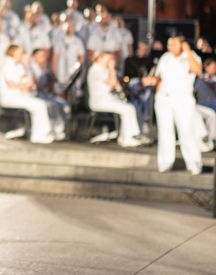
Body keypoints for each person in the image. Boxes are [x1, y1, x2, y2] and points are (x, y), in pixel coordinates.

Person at [153, 34, 204, 174]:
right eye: (169, 44)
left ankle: (194, 163)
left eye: (173, 44)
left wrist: (187, 51)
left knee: (186, 131)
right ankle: (165, 162)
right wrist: (153, 82)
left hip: (183, 99)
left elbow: (197, 69)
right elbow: (159, 76)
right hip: (164, 98)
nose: (170, 47)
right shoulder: (165, 57)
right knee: (165, 131)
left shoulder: (191, 57)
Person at [0, 44, 66, 144]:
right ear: (14, 53)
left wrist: (29, 84)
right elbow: (11, 85)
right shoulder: (8, 64)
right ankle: (39, 134)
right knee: (39, 105)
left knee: (42, 103)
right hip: (10, 97)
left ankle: (49, 132)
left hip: (19, 96)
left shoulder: (17, 65)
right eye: (20, 52)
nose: (22, 54)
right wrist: (26, 86)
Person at [86, 51, 144, 147]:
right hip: (99, 101)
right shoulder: (95, 69)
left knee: (130, 106)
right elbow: (112, 83)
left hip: (109, 99)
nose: (111, 62)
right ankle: (126, 137)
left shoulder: (104, 70)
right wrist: (112, 69)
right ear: (100, 59)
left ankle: (128, 135)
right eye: (109, 59)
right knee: (127, 109)